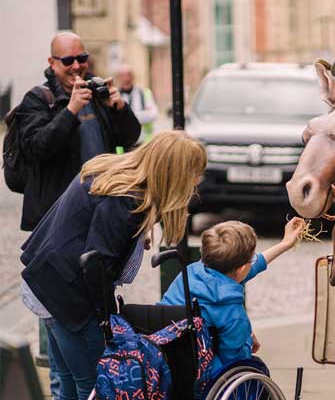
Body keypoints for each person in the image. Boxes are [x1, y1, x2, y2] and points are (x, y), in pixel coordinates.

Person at [20, 130, 207, 400]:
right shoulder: (126, 199)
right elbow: (96, 263)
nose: (196, 182)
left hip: (47, 281)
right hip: (67, 294)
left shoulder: (115, 174)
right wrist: (106, 317)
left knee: (68, 382)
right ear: (174, 172)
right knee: (96, 383)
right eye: (193, 174)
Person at [14, 31, 141, 232]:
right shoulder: (37, 99)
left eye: (82, 58)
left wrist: (120, 109)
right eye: (68, 60)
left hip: (101, 207)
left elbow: (130, 137)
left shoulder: (97, 93)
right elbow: (36, 149)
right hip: (58, 215)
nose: (76, 66)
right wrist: (71, 111)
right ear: (52, 62)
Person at [160, 217, 306, 378]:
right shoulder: (233, 313)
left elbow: (244, 269)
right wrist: (247, 340)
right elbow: (235, 360)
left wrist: (285, 244)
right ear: (242, 268)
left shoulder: (189, 274)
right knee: (256, 368)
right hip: (204, 377)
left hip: (166, 363)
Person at [115, 64, 158, 144]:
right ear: (119, 78)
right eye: (123, 75)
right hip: (124, 146)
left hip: (144, 143)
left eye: (129, 75)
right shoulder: (115, 96)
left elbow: (153, 114)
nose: (126, 78)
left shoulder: (145, 93)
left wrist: (129, 116)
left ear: (133, 77)